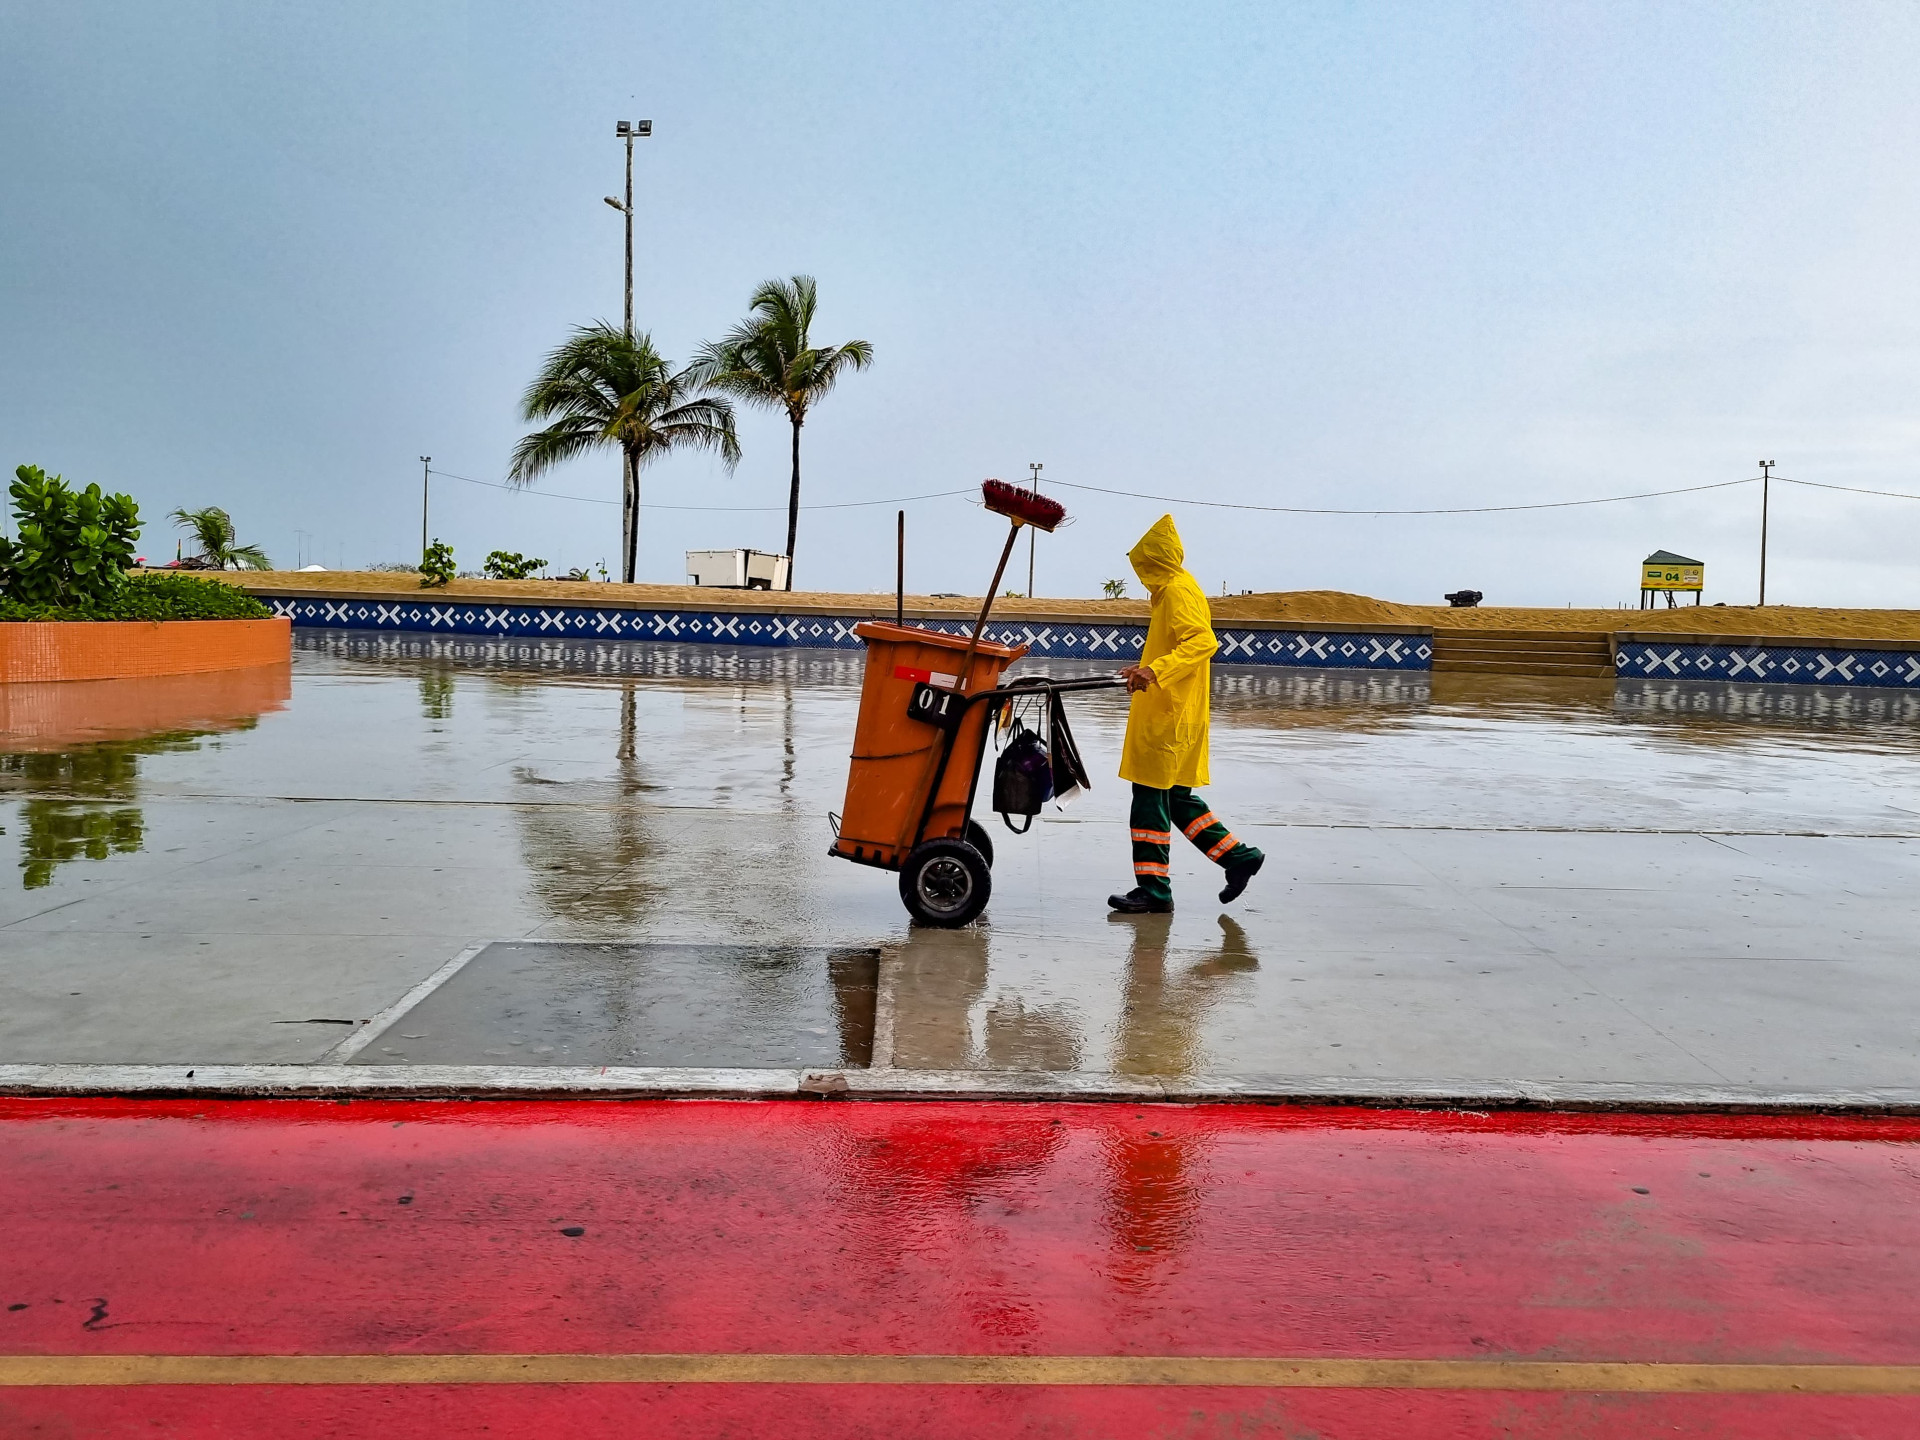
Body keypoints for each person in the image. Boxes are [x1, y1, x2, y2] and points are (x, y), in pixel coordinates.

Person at [1110, 515, 1264, 914]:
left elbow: (1202, 642)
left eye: (1144, 566)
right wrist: (1143, 666)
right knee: (1176, 799)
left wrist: (1155, 671)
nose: (1142, 574)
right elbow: (1176, 645)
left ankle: (1154, 892)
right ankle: (1238, 857)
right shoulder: (1178, 590)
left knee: (1148, 799)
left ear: (1156, 562)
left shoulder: (1177, 591)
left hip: (1168, 716)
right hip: (1175, 711)